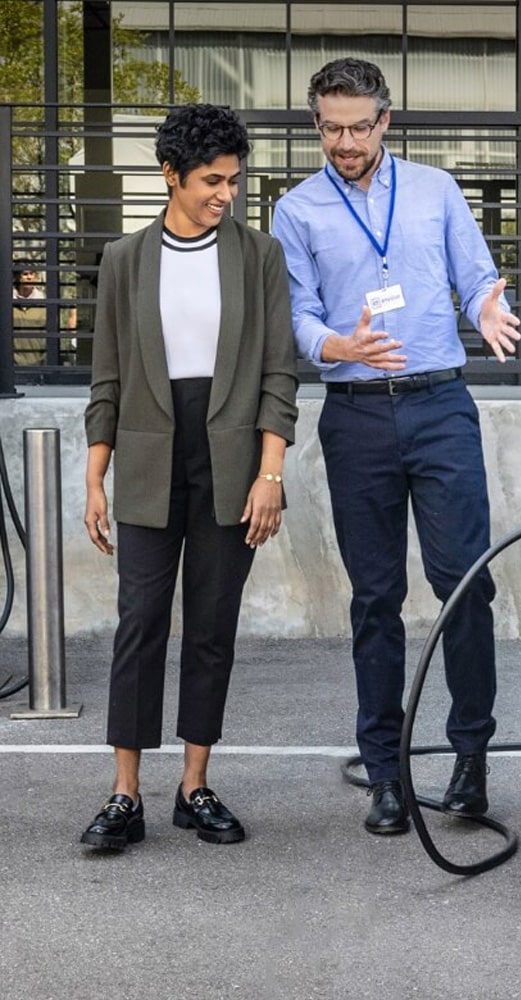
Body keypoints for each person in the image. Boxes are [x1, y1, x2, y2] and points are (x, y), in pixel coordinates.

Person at [272, 58, 521, 835]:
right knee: (374, 598)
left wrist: (485, 309)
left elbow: (478, 275)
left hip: (440, 405)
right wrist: (337, 344)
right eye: (330, 127)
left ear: (386, 120)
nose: (343, 142)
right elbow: (298, 316)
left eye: (357, 126)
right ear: (317, 123)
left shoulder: (436, 190)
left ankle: (471, 760)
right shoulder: (296, 210)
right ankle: (385, 772)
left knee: (465, 584)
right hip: (356, 416)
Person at [80, 104, 299, 851]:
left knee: (211, 626)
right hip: (146, 458)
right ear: (170, 174)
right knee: (140, 621)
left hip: (232, 460)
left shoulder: (259, 256)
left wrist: (271, 473)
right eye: (212, 179)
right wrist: (93, 478)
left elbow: (279, 373)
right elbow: (105, 377)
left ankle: (194, 785)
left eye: (235, 180)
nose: (226, 193)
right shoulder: (124, 260)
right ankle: (124, 794)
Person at [12, 263, 47, 366]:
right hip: (12, 366)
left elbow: (48, 337)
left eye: (32, 274)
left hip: (37, 365)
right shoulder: (7, 303)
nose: (29, 277)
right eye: (25, 274)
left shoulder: (43, 304)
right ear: (18, 277)